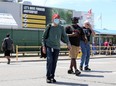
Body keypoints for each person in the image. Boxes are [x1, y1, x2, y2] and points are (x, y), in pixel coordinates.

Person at [41, 14, 71, 83]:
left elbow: (65, 36)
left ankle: (52, 76)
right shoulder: (49, 27)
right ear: (52, 19)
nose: (57, 20)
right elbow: (43, 37)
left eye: (58, 19)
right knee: (50, 61)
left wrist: (68, 43)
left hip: (57, 47)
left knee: (54, 62)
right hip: (49, 46)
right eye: (55, 18)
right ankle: (48, 76)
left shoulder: (61, 28)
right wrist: (43, 46)